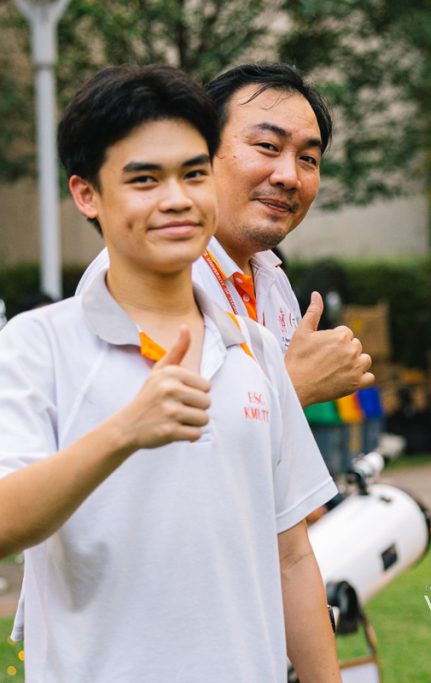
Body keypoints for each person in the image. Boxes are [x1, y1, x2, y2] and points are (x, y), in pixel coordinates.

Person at [0, 65, 340, 682]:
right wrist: (125, 431)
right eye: (144, 179)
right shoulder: (36, 346)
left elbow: (292, 558)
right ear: (86, 194)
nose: (177, 199)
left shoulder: (257, 348)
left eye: (193, 175)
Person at [77, 63, 373, 406]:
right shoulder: (137, 277)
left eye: (308, 158)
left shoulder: (271, 279)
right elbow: (136, 440)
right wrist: (292, 388)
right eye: (267, 145)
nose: (289, 176)